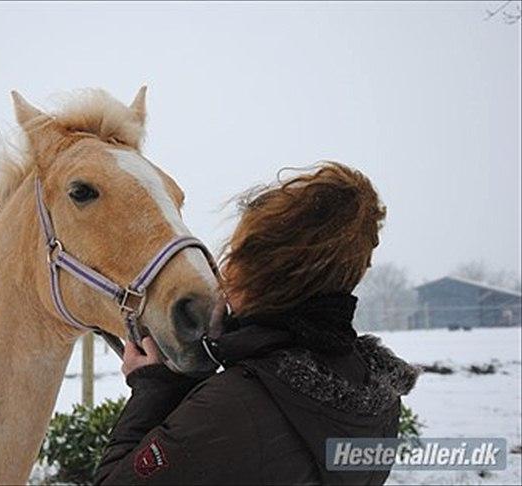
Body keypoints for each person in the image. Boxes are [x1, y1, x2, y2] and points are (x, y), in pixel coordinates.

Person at [94, 162, 420, 485]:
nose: (223, 272)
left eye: (236, 253)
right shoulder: (379, 401)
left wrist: (156, 388)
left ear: (261, 271)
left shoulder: (234, 408)